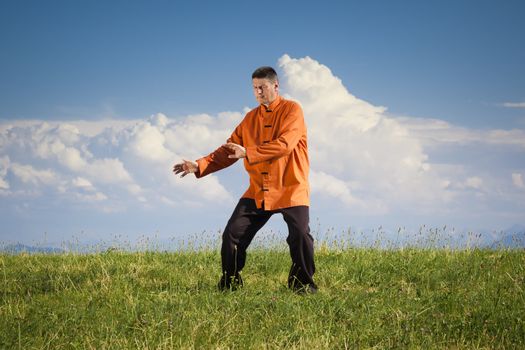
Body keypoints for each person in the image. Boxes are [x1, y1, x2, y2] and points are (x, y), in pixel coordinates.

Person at [173, 66, 317, 294]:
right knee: (232, 234)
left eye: (263, 87)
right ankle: (230, 283)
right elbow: (229, 150)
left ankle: (302, 285)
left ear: (275, 86)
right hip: (259, 189)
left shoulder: (293, 110)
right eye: (254, 88)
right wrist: (198, 165)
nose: (258, 92)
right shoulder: (250, 118)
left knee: (300, 234)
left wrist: (248, 152)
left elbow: (285, 144)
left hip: (291, 186)